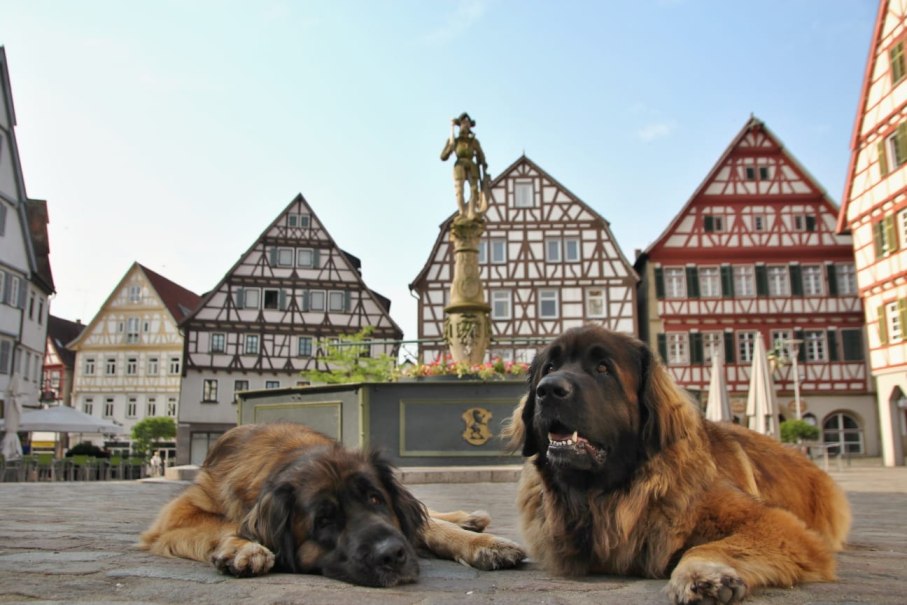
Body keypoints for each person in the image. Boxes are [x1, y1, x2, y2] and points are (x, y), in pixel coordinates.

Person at [441, 112, 488, 218]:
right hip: (459, 165)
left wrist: (483, 165)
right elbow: (443, 156)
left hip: (472, 166)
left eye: (467, 124)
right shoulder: (454, 141)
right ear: (459, 125)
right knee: (459, 190)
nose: (465, 126)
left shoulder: (474, 142)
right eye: (463, 123)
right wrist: (450, 147)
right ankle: (462, 212)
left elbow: (481, 155)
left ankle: (472, 212)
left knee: (474, 190)